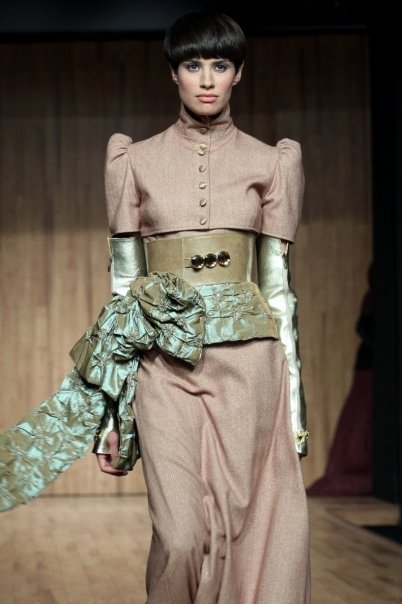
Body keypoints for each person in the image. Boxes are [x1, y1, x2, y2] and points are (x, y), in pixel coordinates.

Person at [0, 10, 310, 603]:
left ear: (239, 72)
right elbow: (123, 293)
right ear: (173, 73)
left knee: (243, 530)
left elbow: (278, 293)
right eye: (193, 65)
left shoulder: (273, 162)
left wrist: (296, 412)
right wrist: (113, 420)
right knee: (180, 534)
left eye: (220, 65)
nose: (207, 79)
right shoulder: (133, 161)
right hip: (163, 367)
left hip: (251, 370)